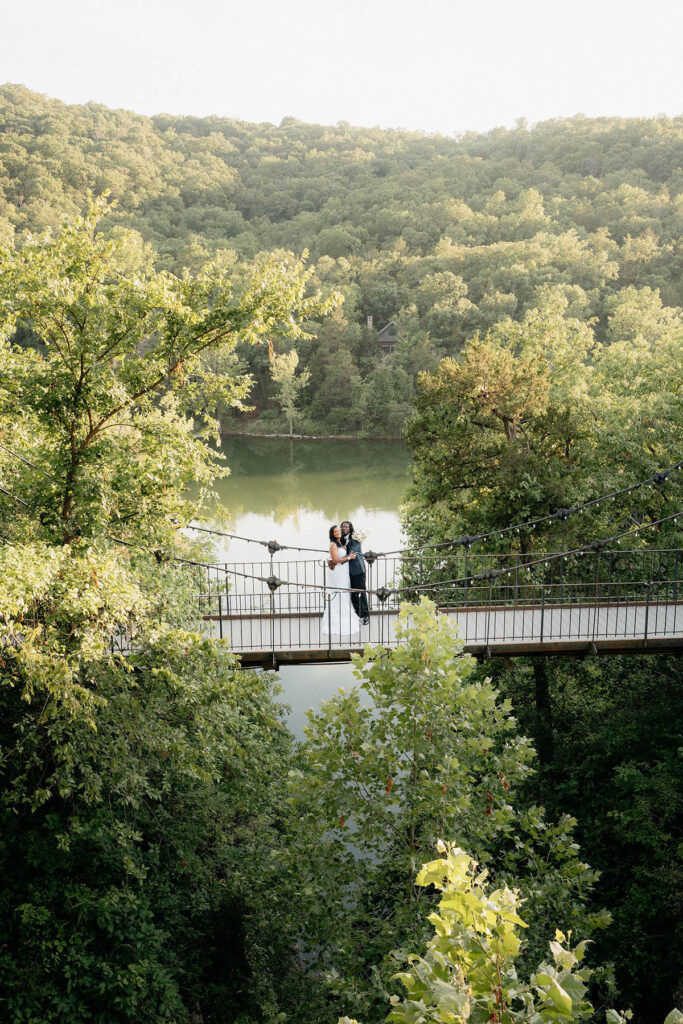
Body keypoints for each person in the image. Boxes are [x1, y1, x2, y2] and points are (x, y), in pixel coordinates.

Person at [321, 525, 359, 640]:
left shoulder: (341, 543)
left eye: (339, 531)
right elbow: (335, 560)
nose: (338, 532)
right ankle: (336, 622)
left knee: (345, 593)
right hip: (337, 573)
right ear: (332, 534)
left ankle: (346, 617)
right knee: (339, 593)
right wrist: (349, 558)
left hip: (344, 571)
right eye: (335, 531)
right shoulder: (333, 545)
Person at [341, 520, 369, 624]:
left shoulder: (355, 538)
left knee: (361, 593)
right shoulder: (342, 539)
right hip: (348, 571)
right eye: (343, 527)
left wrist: (337, 561)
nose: (344, 529)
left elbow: (352, 554)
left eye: (346, 527)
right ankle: (358, 613)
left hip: (358, 570)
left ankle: (366, 615)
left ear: (350, 528)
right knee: (353, 594)